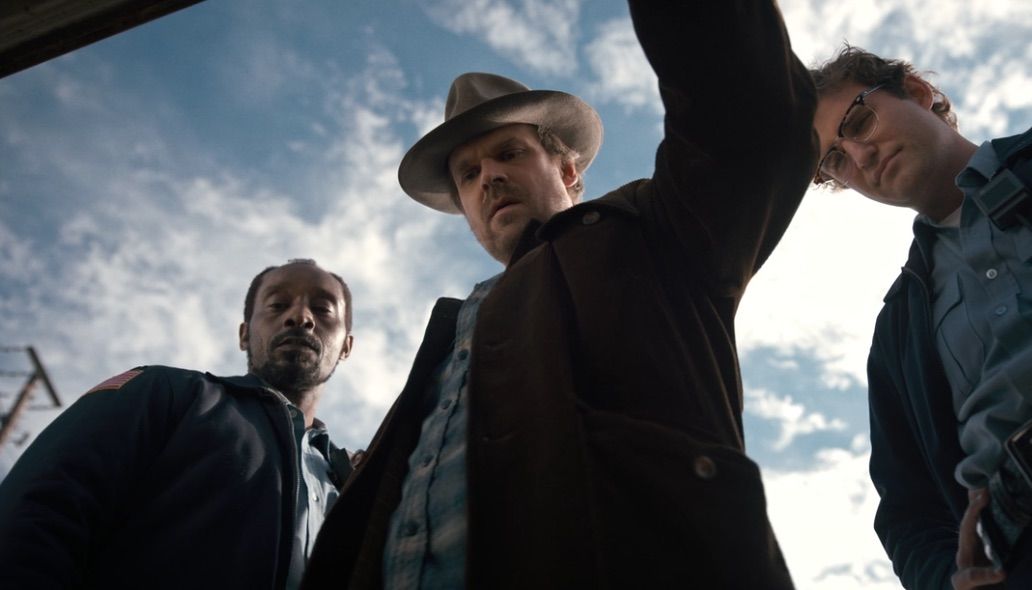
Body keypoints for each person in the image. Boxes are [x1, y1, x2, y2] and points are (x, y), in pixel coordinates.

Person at [302, 2, 817, 588]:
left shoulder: (656, 234)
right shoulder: (455, 326)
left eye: (510, 153)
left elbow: (747, 115)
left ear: (569, 172)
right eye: (468, 174)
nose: (488, 176)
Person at [809, 46, 1032, 589]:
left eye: (859, 121)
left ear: (917, 91)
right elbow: (906, 511)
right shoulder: (896, 334)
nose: (860, 156)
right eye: (834, 159)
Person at [0, 259, 357, 590]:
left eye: (323, 309)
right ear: (244, 334)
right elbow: (35, 514)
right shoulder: (164, 392)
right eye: (277, 305)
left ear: (346, 346)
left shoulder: (350, 484)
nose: (300, 316)